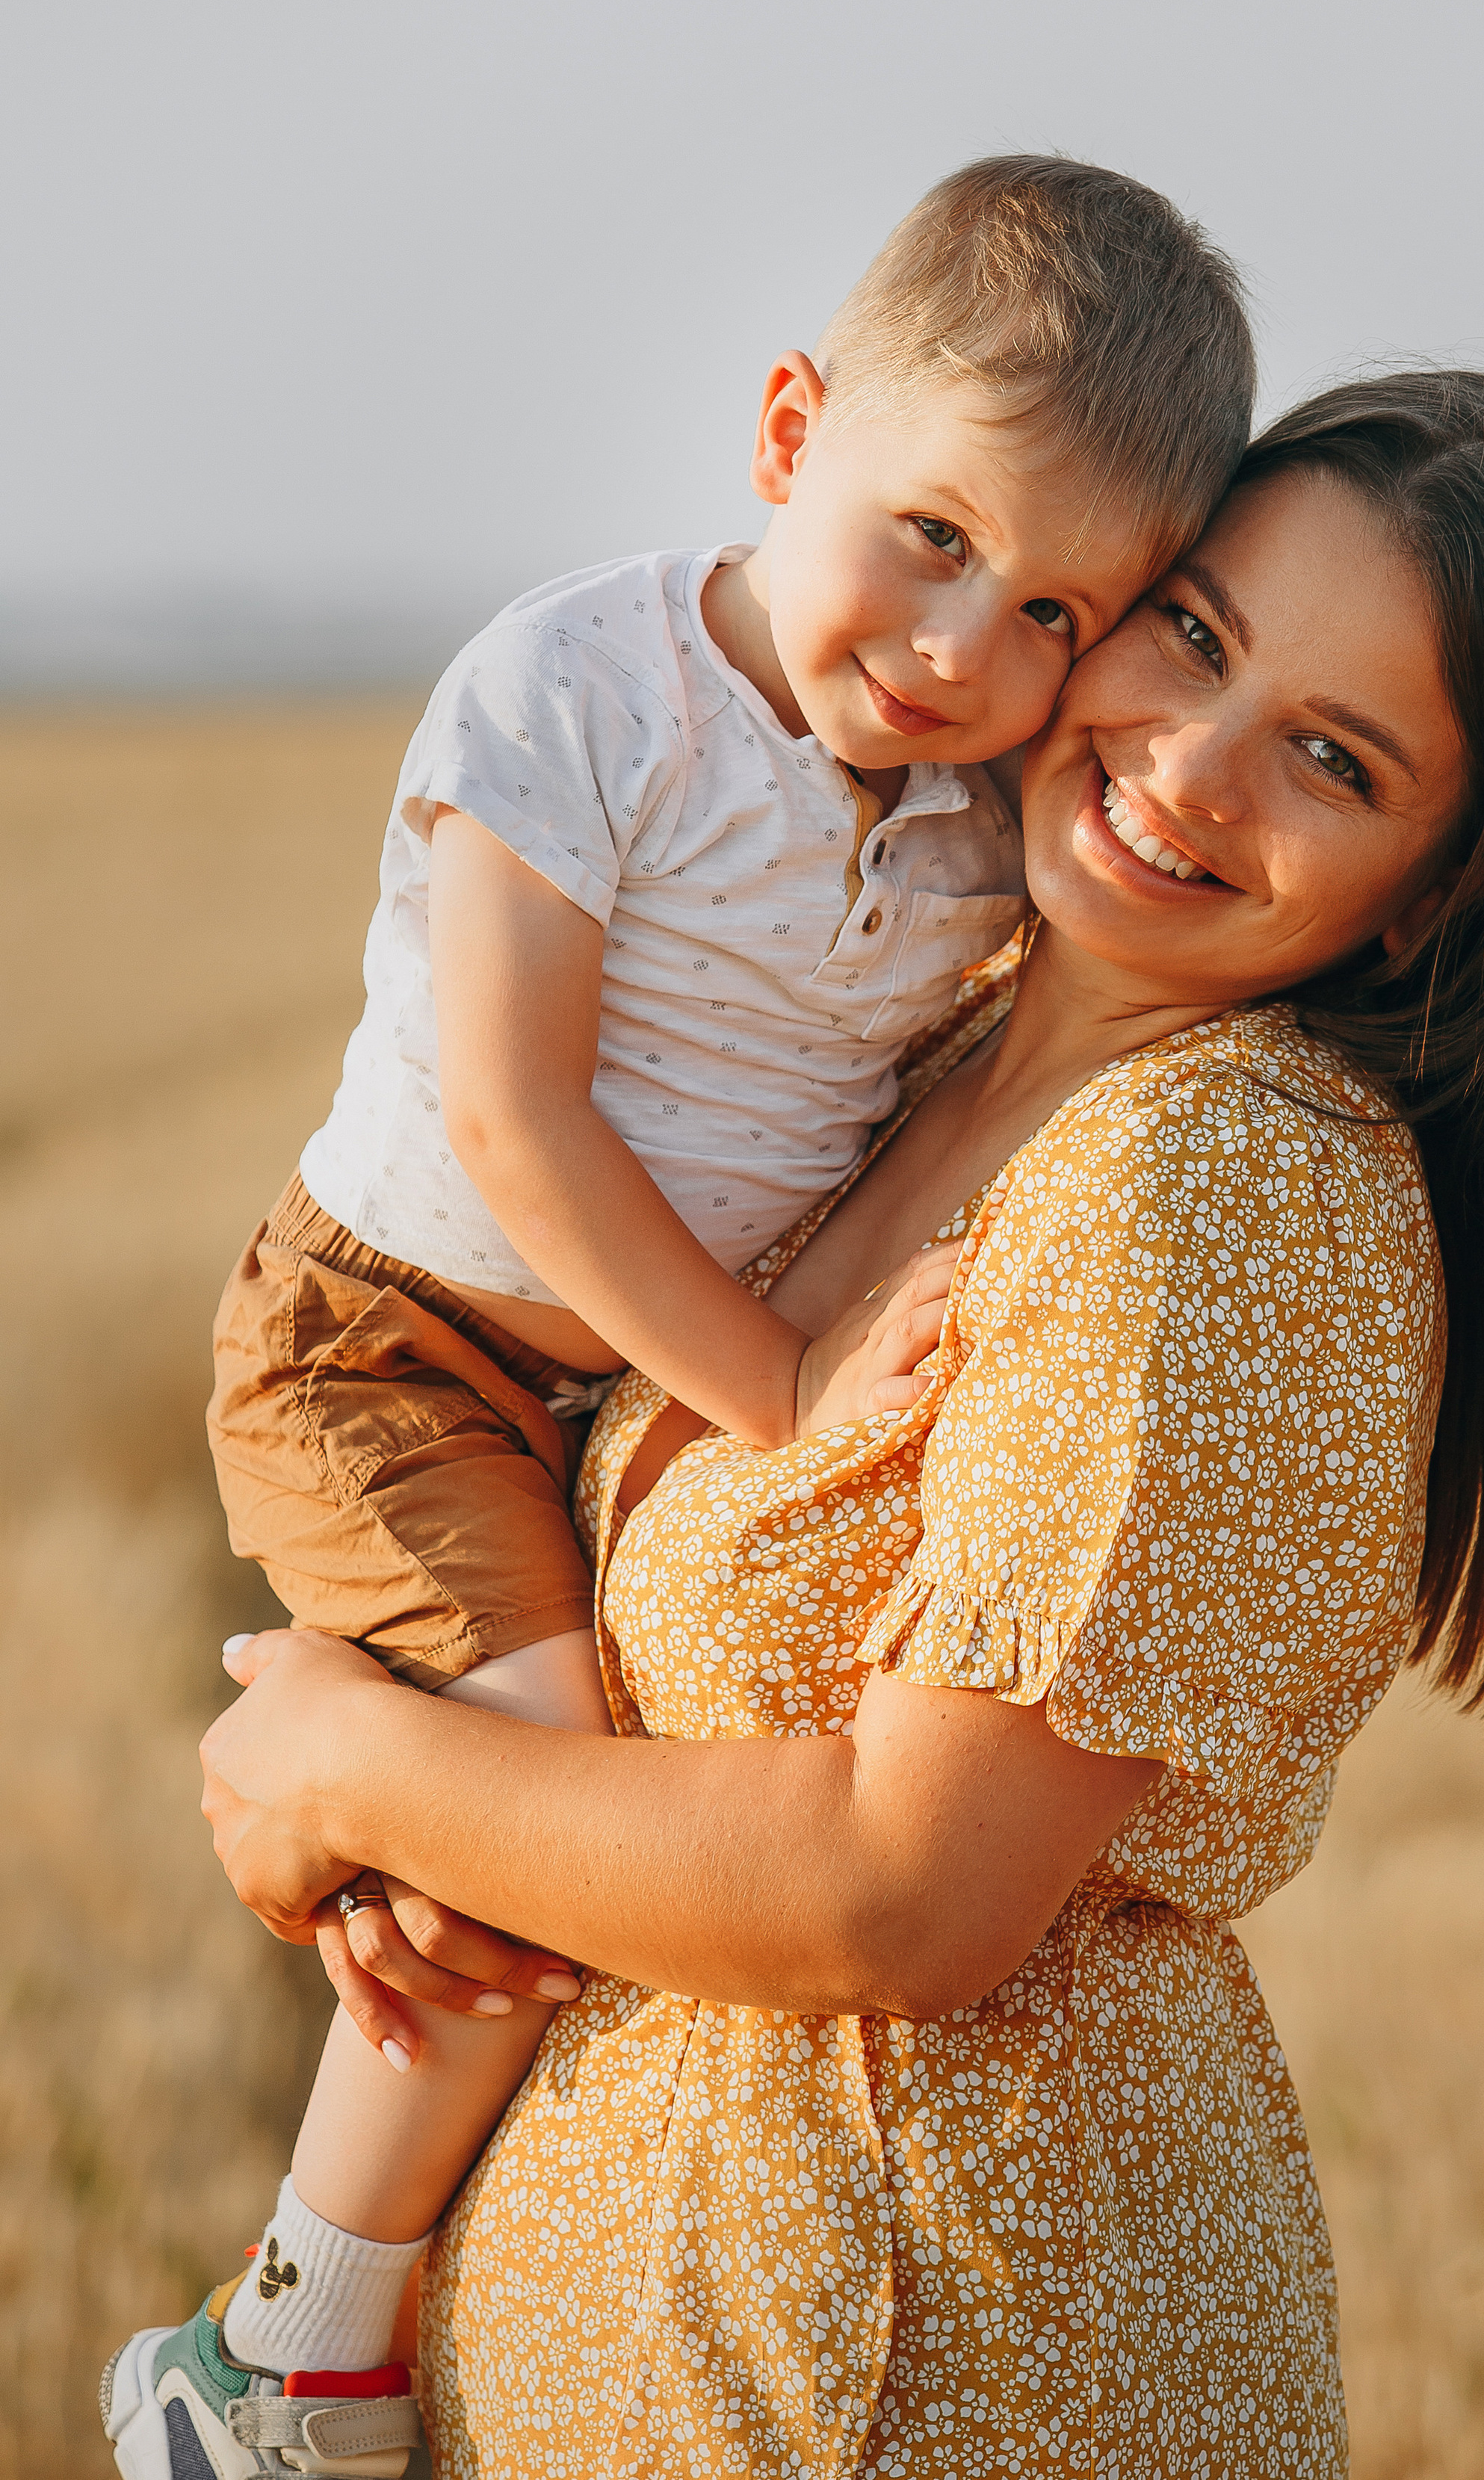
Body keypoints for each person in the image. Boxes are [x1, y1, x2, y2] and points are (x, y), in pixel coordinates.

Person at [161, 371, 1484, 2480]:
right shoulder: (930, 1029)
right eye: (1190, 633)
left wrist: (353, 1757)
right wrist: (423, 1837)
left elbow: (912, 1892)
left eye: (1331, 758)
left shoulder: (1208, 1183)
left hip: (933, 2391)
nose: (1185, 764)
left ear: (1436, 886)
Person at [162, 155, 1258, 2439]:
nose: (969, 653)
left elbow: (1340, 840)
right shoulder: (583, 686)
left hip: (599, 1383)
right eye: (934, 538)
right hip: (400, 1341)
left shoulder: (975, 802)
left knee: (506, 1821)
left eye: (1063, 613)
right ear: (788, 434)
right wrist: (778, 1385)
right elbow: (512, 1125)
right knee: (535, 1797)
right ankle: (278, 2364)